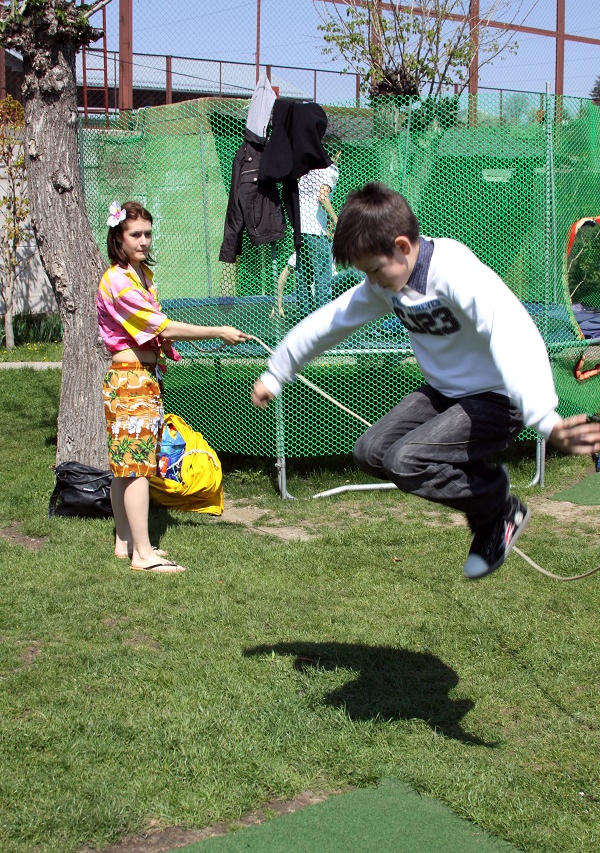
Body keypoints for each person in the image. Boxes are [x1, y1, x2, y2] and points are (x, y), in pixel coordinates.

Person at [252, 182, 600, 580]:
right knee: (370, 452)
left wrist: (545, 418)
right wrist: (277, 372)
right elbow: (330, 322)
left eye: (374, 270)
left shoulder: (455, 273)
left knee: (405, 461)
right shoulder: (386, 285)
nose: (372, 281)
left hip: (499, 398)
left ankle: (498, 507)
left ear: (402, 246)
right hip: (446, 394)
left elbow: (513, 335)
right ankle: (485, 493)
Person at [97, 201, 249, 573]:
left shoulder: (139, 274)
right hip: (131, 380)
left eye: (148, 234)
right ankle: (143, 555)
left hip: (141, 377)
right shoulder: (118, 280)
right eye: (135, 234)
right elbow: (161, 326)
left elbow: (155, 332)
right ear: (118, 237)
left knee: (127, 466)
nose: (143, 241)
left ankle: (124, 542)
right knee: (137, 469)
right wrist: (218, 331)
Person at [295, 136, 342, 315]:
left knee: (303, 275)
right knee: (323, 277)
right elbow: (322, 197)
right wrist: (336, 219)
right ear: (337, 153)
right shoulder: (331, 169)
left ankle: (304, 317)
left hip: (300, 229)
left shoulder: (309, 169)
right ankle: (323, 319)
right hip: (315, 231)